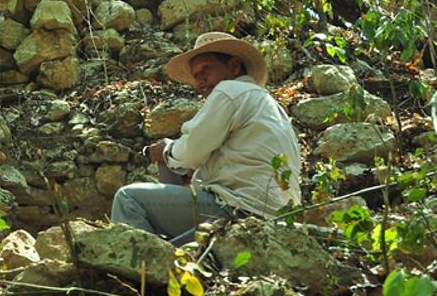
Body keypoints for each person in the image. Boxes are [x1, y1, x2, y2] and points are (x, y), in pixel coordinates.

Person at [110, 32, 302, 244]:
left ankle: (141, 270)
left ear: (234, 66)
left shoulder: (230, 90)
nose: (199, 79)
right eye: (195, 75)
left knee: (128, 199)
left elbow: (191, 152)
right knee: (174, 249)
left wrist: (167, 151)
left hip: (241, 209)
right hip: (277, 217)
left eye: (206, 69)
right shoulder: (269, 106)